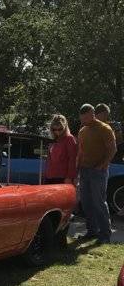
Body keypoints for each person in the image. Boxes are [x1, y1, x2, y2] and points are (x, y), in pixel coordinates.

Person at [77, 103, 116, 243]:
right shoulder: (83, 130)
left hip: (98, 171)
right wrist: (77, 169)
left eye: (85, 118)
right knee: (86, 203)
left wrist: (102, 166)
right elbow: (80, 151)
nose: (83, 121)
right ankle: (92, 231)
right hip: (84, 170)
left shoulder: (104, 129)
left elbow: (112, 149)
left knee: (99, 202)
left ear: (92, 114)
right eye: (82, 118)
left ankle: (105, 234)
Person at [44, 114, 77, 184]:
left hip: (63, 177)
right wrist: (46, 174)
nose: (57, 132)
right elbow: (49, 159)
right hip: (50, 176)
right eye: (54, 129)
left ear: (65, 127)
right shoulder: (52, 140)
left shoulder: (69, 139)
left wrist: (69, 177)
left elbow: (73, 159)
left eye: (60, 129)